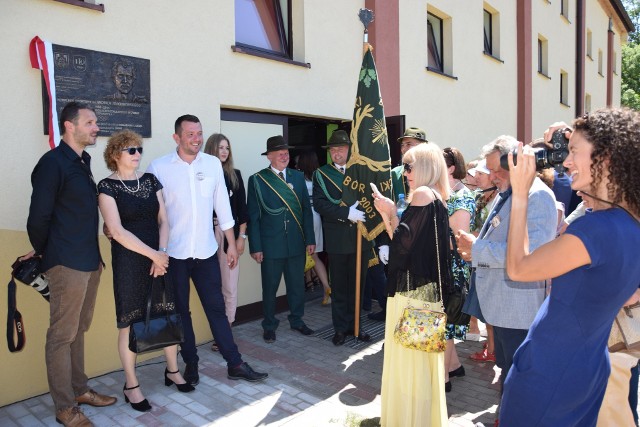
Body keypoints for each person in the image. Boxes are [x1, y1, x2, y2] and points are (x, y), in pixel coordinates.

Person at [498, 107, 640, 425]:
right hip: (587, 370)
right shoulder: (630, 226)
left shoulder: (595, 230)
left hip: (550, 371)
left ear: (606, 158)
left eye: (574, 151)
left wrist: (521, 193)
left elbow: (518, 269)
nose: (565, 161)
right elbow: (630, 296)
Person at [148, 114, 267, 386]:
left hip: (206, 254)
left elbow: (223, 208)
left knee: (216, 310)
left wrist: (231, 245)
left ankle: (234, 362)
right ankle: (191, 362)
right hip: (174, 256)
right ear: (176, 137)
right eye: (190, 134)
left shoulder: (212, 164)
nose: (196, 139)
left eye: (199, 133)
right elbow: (153, 212)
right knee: (181, 313)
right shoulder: (159, 168)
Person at [27, 101, 117, 426]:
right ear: (70, 125)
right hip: (67, 263)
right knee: (61, 335)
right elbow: (38, 218)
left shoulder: (82, 162)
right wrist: (46, 254)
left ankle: (80, 390)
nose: (96, 128)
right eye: (90, 122)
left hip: (90, 261)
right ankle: (65, 407)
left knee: (78, 330)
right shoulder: (53, 163)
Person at [455, 135, 557, 418]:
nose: (493, 176)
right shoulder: (507, 191)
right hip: (502, 306)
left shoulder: (536, 195)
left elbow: (534, 251)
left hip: (518, 308)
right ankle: (506, 415)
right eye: (490, 169)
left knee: (518, 374)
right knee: (506, 371)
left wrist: (478, 249)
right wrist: (475, 247)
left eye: (499, 169)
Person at [98, 130, 193, 413]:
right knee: (129, 320)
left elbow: (164, 219)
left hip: (159, 257)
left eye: (139, 148)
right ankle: (131, 384)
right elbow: (115, 230)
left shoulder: (151, 181)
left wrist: (161, 254)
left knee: (167, 311)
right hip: (130, 261)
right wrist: (153, 254)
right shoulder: (106, 187)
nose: (137, 153)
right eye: (130, 150)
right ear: (115, 155)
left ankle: (173, 370)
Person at [373, 143, 452, 426]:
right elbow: (405, 242)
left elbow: (400, 249)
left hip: (411, 293)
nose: (405, 172)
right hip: (425, 294)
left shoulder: (421, 194)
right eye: (404, 167)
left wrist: (391, 211)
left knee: (408, 365)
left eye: (409, 166)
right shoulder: (438, 197)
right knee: (419, 365)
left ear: (425, 167)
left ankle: (407, 420)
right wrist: (388, 214)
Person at [246, 135, 316, 343]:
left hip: (296, 242)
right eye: (279, 152)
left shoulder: (297, 177)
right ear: (269, 156)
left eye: (286, 152)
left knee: (296, 286)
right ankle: (269, 325)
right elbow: (254, 217)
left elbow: (306, 210)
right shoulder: (257, 180)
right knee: (270, 288)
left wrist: (310, 239)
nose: (285, 155)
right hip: (270, 245)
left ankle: (297, 320)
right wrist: (255, 246)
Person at [312, 130, 372, 345]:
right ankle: (340, 328)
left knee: (359, 286)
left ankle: (357, 326)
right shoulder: (322, 174)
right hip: (338, 239)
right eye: (333, 150)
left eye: (341, 149)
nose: (336, 153)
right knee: (339, 287)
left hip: (360, 237)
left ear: (349, 150)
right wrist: (346, 213)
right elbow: (320, 204)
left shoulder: (361, 171)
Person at [203, 133, 249, 351]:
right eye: (220, 147)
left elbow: (242, 210)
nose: (224, 152)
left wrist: (241, 238)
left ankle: (225, 332)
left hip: (229, 234)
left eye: (227, 148)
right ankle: (218, 331)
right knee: (212, 285)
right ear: (211, 149)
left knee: (229, 284)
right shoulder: (202, 174)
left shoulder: (235, 175)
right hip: (204, 233)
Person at [442, 147, 476, 392]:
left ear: (451, 168)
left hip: (453, 267)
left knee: (445, 323)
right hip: (447, 264)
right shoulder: (448, 193)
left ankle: (442, 378)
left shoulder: (461, 196)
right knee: (446, 323)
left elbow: (458, 236)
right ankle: (453, 366)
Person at [466, 159, 498, 361]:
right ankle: (493, 346)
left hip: (487, 258)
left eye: (480, 174)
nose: (476, 177)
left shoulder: (497, 199)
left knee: (489, 306)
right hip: (479, 256)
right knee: (484, 305)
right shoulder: (482, 197)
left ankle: (493, 349)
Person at [296, 150, 331, 305]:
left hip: (302, 219)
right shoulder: (320, 178)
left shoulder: (297, 180)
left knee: (298, 256)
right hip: (316, 218)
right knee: (315, 256)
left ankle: (297, 296)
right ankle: (327, 288)